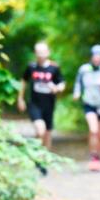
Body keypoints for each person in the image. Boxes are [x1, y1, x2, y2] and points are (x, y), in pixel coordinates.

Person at [17, 41, 65, 175]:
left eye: (43, 52)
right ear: (35, 54)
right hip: (34, 104)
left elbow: (62, 83)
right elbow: (24, 81)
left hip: (49, 105)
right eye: (38, 53)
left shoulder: (54, 68)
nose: (40, 55)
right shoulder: (31, 67)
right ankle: (36, 154)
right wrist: (20, 98)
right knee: (40, 130)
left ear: (48, 52)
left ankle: (43, 159)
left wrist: (56, 88)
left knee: (47, 134)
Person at [73, 44, 100, 172]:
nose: (97, 59)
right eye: (95, 56)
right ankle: (93, 156)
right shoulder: (84, 69)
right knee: (93, 130)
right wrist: (76, 93)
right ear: (91, 57)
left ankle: (98, 157)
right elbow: (78, 82)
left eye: (99, 56)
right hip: (89, 103)